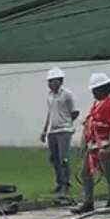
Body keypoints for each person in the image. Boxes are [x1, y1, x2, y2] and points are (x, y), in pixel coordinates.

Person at [74, 73, 110, 214]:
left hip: (104, 145)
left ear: (102, 89)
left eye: (95, 89)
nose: (93, 92)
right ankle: (87, 202)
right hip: (92, 146)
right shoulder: (96, 104)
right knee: (86, 174)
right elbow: (89, 123)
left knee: (108, 174)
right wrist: (83, 143)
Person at [40, 67, 78, 197]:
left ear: (60, 81)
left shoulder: (67, 94)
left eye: (52, 81)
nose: (50, 84)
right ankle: (59, 182)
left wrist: (67, 123)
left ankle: (65, 185)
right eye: (49, 81)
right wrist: (44, 130)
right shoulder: (49, 96)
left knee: (63, 158)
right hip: (53, 130)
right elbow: (49, 114)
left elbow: (75, 112)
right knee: (54, 158)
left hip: (64, 130)